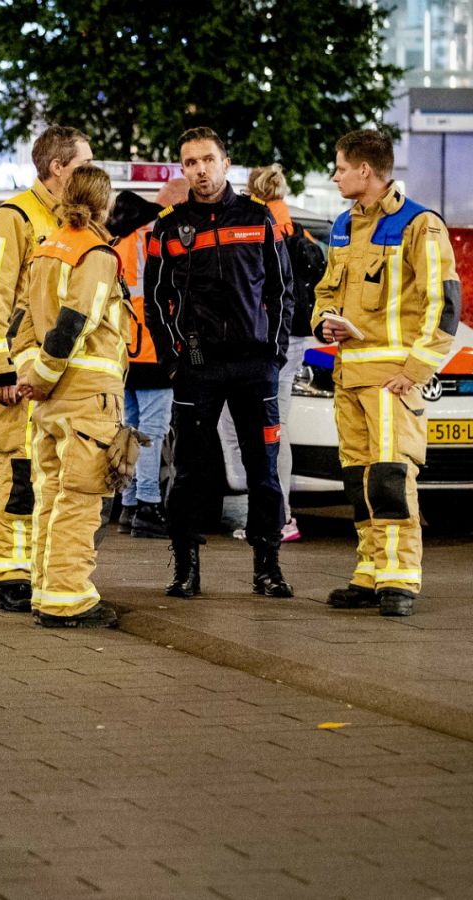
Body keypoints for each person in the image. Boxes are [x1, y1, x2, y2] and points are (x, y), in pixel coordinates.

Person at [313, 129, 460, 618]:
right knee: (358, 481)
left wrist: (416, 370)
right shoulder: (342, 226)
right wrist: (322, 321)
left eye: (339, 168)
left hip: (392, 379)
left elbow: (445, 306)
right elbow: (325, 292)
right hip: (348, 376)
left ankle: (400, 578)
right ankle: (371, 572)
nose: (334, 176)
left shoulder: (420, 224)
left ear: (365, 171)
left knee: (391, 479)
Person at [144, 126, 294, 599]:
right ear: (182, 169)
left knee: (264, 472)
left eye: (208, 160)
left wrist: (275, 351)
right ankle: (185, 567)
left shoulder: (259, 218)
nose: (200, 170)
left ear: (227, 164)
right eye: (190, 163)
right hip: (197, 366)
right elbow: (154, 299)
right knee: (189, 471)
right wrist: (173, 360)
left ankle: (267, 566)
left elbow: (283, 290)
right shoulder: (168, 227)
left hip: (254, 366)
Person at [0, 125, 93, 612]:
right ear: (58, 167)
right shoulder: (16, 216)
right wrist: (0, 369)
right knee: (17, 472)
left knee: (50, 474)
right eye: (83, 163)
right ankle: (8, 571)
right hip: (21, 369)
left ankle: (40, 569)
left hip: (56, 370)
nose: (91, 171)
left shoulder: (73, 220)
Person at [12, 164, 126, 627]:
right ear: (103, 203)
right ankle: (69, 597)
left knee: (51, 497)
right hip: (87, 399)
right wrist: (45, 376)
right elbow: (74, 323)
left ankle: (45, 590)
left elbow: (19, 327)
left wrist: (32, 377)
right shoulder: (96, 254)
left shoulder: (46, 249)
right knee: (80, 502)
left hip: (51, 404)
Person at [247, 164, 328, 542]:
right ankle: (279, 515)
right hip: (296, 338)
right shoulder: (296, 226)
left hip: (270, 340)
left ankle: (278, 517)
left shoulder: (259, 224)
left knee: (268, 429)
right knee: (278, 427)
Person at [111, 179, 188, 539]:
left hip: (125, 350)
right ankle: (147, 505)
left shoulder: (125, 234)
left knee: (129, 426)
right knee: (151, 432)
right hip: (153, 348)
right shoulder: (158, 233)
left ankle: (127, 504)